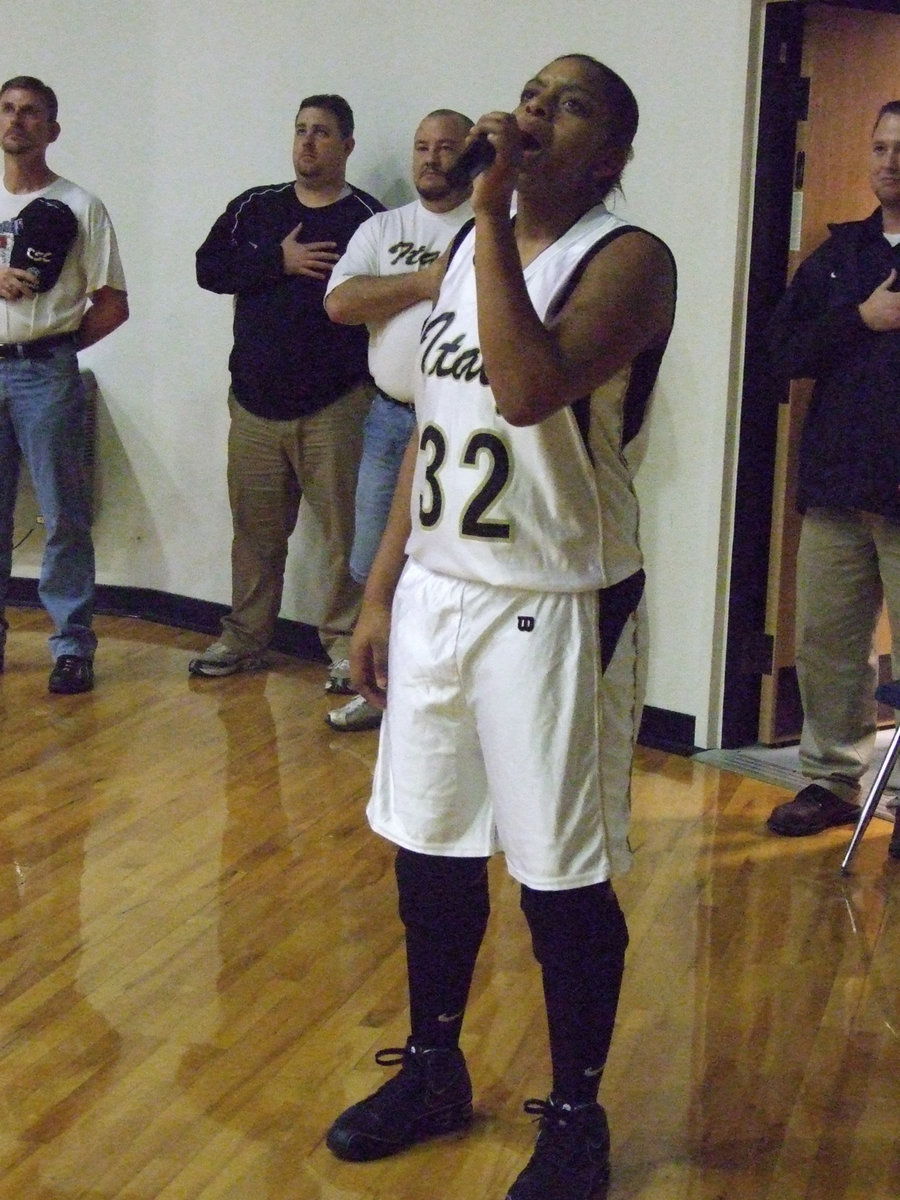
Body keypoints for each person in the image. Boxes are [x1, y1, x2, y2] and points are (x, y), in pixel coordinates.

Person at [324, 54, 675, 1200]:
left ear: (611, 153)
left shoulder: (628, 259)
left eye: (566, 104)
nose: (532, 112)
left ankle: (576, 1114)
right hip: (439, 583)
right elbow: (437, 428)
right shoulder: (473, 248)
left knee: (559, 875)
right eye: (529, 92)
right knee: (427, 844)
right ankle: (434, 1067)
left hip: (556, 594)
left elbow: (526, 391)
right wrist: (380, 592)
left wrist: (486, 215)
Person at [189, 94, 383, 690]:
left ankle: (347, 650)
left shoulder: (371, 221)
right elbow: (208, 269)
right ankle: (245, 638)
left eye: (322, 132)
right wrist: (278, 260)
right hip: (252, 403)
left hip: (338, 405)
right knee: (255, 533)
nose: (307, 142)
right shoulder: (256, 208)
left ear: (347, 146)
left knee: (344, 539)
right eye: (300, 130)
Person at [766, 101, 900, 838]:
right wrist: (861, 319)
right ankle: (830, 781)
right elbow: (783, 354)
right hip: (838, 488)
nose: (889, 160)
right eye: (879, 146)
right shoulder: (842, 254)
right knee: (829, 645)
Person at [322, 108, 474, 732]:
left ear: (472, 157)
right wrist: (426, 281)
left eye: (445, 147)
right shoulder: (383, 228)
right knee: (373, 564)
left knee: (441, 565)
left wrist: (402, 287)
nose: (431, 158)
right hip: (390, 418)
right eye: (421, 147)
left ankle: (428, 700)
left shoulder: (497, 231)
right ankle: (385, 689)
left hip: (460, 428)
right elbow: (340, 302)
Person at [0, 76, 128, 695]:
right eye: (8, 110)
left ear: (52, 129)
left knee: (63, 516)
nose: (17, 121)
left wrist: (52, 348)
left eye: (31, 113)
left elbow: (112, 304)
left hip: (44, 371)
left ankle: (72, 645)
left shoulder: (81, 205)